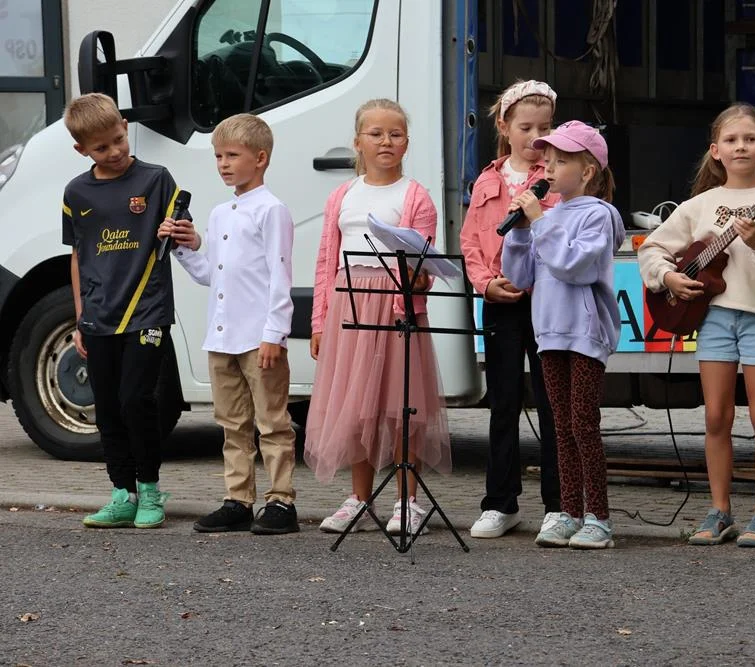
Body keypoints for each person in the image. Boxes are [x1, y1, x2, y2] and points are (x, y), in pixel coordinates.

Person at [638, 103, 755, 548]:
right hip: (713, 318)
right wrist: (669, 276)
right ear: (715, 151)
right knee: (716, 415)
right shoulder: (699, 206)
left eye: (750, 139)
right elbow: (652, 247)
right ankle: (719, 509)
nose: (741, 147)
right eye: (731, 140)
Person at [305, 98, 451, 536]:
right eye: (376, 134)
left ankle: (408, 501)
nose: (386, 141)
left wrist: (419, 279)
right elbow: (325, 261)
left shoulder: (416, 196)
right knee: (355, 406)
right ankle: (359, 499)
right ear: (358, 143)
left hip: (395, 308)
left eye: (396, 134)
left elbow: (423, 265)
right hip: (348, 305)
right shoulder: (342, 195)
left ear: (406, 143)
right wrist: (318, 321)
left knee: (399, 406)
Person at [159, 113, 299, 535]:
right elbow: (210, 275)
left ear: (260, 158)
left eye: (232, 155)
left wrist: (274, 333)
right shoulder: (220, 213)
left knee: (272, 421)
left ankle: (282, 501)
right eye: (218, 155)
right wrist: (184, 248)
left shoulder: (272, 211)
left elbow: (279, 274)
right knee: (231, 422)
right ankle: (238, 499)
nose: (223, 163)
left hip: (258, 336)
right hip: (221, 336)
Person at [502, 120, 625, 549]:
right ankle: (570, 511)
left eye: (560, 162)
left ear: (587, 171)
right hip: (550, 333)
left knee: (583, 424)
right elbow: (519, 276)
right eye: (547, 161)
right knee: (560, 424)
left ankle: (600, 518)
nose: (548, 170)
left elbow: (577, 267)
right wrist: (519, 233)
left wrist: (538, 225)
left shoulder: (600, 215)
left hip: (584, 333)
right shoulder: (545, 217)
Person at [61, 93, 177, 528]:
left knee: (135, 400)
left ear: (125, 127)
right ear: (81, 150)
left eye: (117, 140)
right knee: (107, 407)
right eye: (101, 148)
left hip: (146, 312)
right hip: (97, 318)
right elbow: (78, 254)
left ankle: (149, 489)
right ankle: (121, 493)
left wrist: (181, 231)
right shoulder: (76, 192)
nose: (114, 152)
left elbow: (177, 234)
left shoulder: (156, 179)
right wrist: (79, 317)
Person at [460, 79, 562, 540]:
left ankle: (560, 504)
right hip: (501, 302)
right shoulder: (487, 179)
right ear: (503, 126)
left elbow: (563, 233)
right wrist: (485, 283)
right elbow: (470, 239)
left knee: (552, 401)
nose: (535, 136)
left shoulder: (558, 177)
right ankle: (500, 503)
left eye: (544, 127)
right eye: (525, 127)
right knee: (503, 403)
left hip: (547, 301)